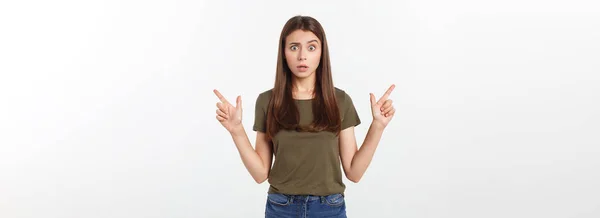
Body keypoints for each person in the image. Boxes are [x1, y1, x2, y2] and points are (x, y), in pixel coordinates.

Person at [213, 15, 396, 218]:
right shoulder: (267, 101)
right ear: (283, 53)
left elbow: (354, 171)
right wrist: (236, 131)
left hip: (329, 208)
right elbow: (260, 174)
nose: (302, 56)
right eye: (294, 47)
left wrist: (378, 126)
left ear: (321, 53)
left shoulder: (340, 100)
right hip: (281, 208)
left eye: (311, 47)